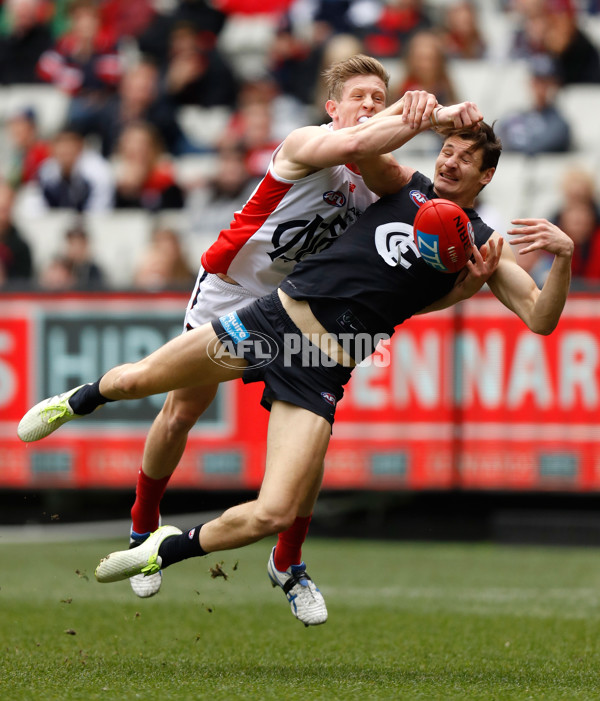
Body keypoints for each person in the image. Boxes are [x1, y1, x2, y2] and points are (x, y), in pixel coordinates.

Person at [18, 120, 574, 621]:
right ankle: (78, 399)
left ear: (488, 174)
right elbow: (361, 145)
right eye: (446, 150)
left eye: (463, 158)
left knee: (275, 510)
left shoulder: (484, 248)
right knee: (138, 382)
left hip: (322, 368)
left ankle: (165, 549)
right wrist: (429, 112)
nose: (448, 161)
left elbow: (541, 320)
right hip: (272, 320)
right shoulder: (404, 185)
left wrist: (564, 259)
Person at [496, 53, 571, 155]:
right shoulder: (514, 116)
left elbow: (538, 147)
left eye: (546, 82)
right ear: (530, 83)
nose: (540, 88)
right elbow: (495, 142)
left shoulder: (559, 125)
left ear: (555, 85)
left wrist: (513, 144)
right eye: (537, 81)